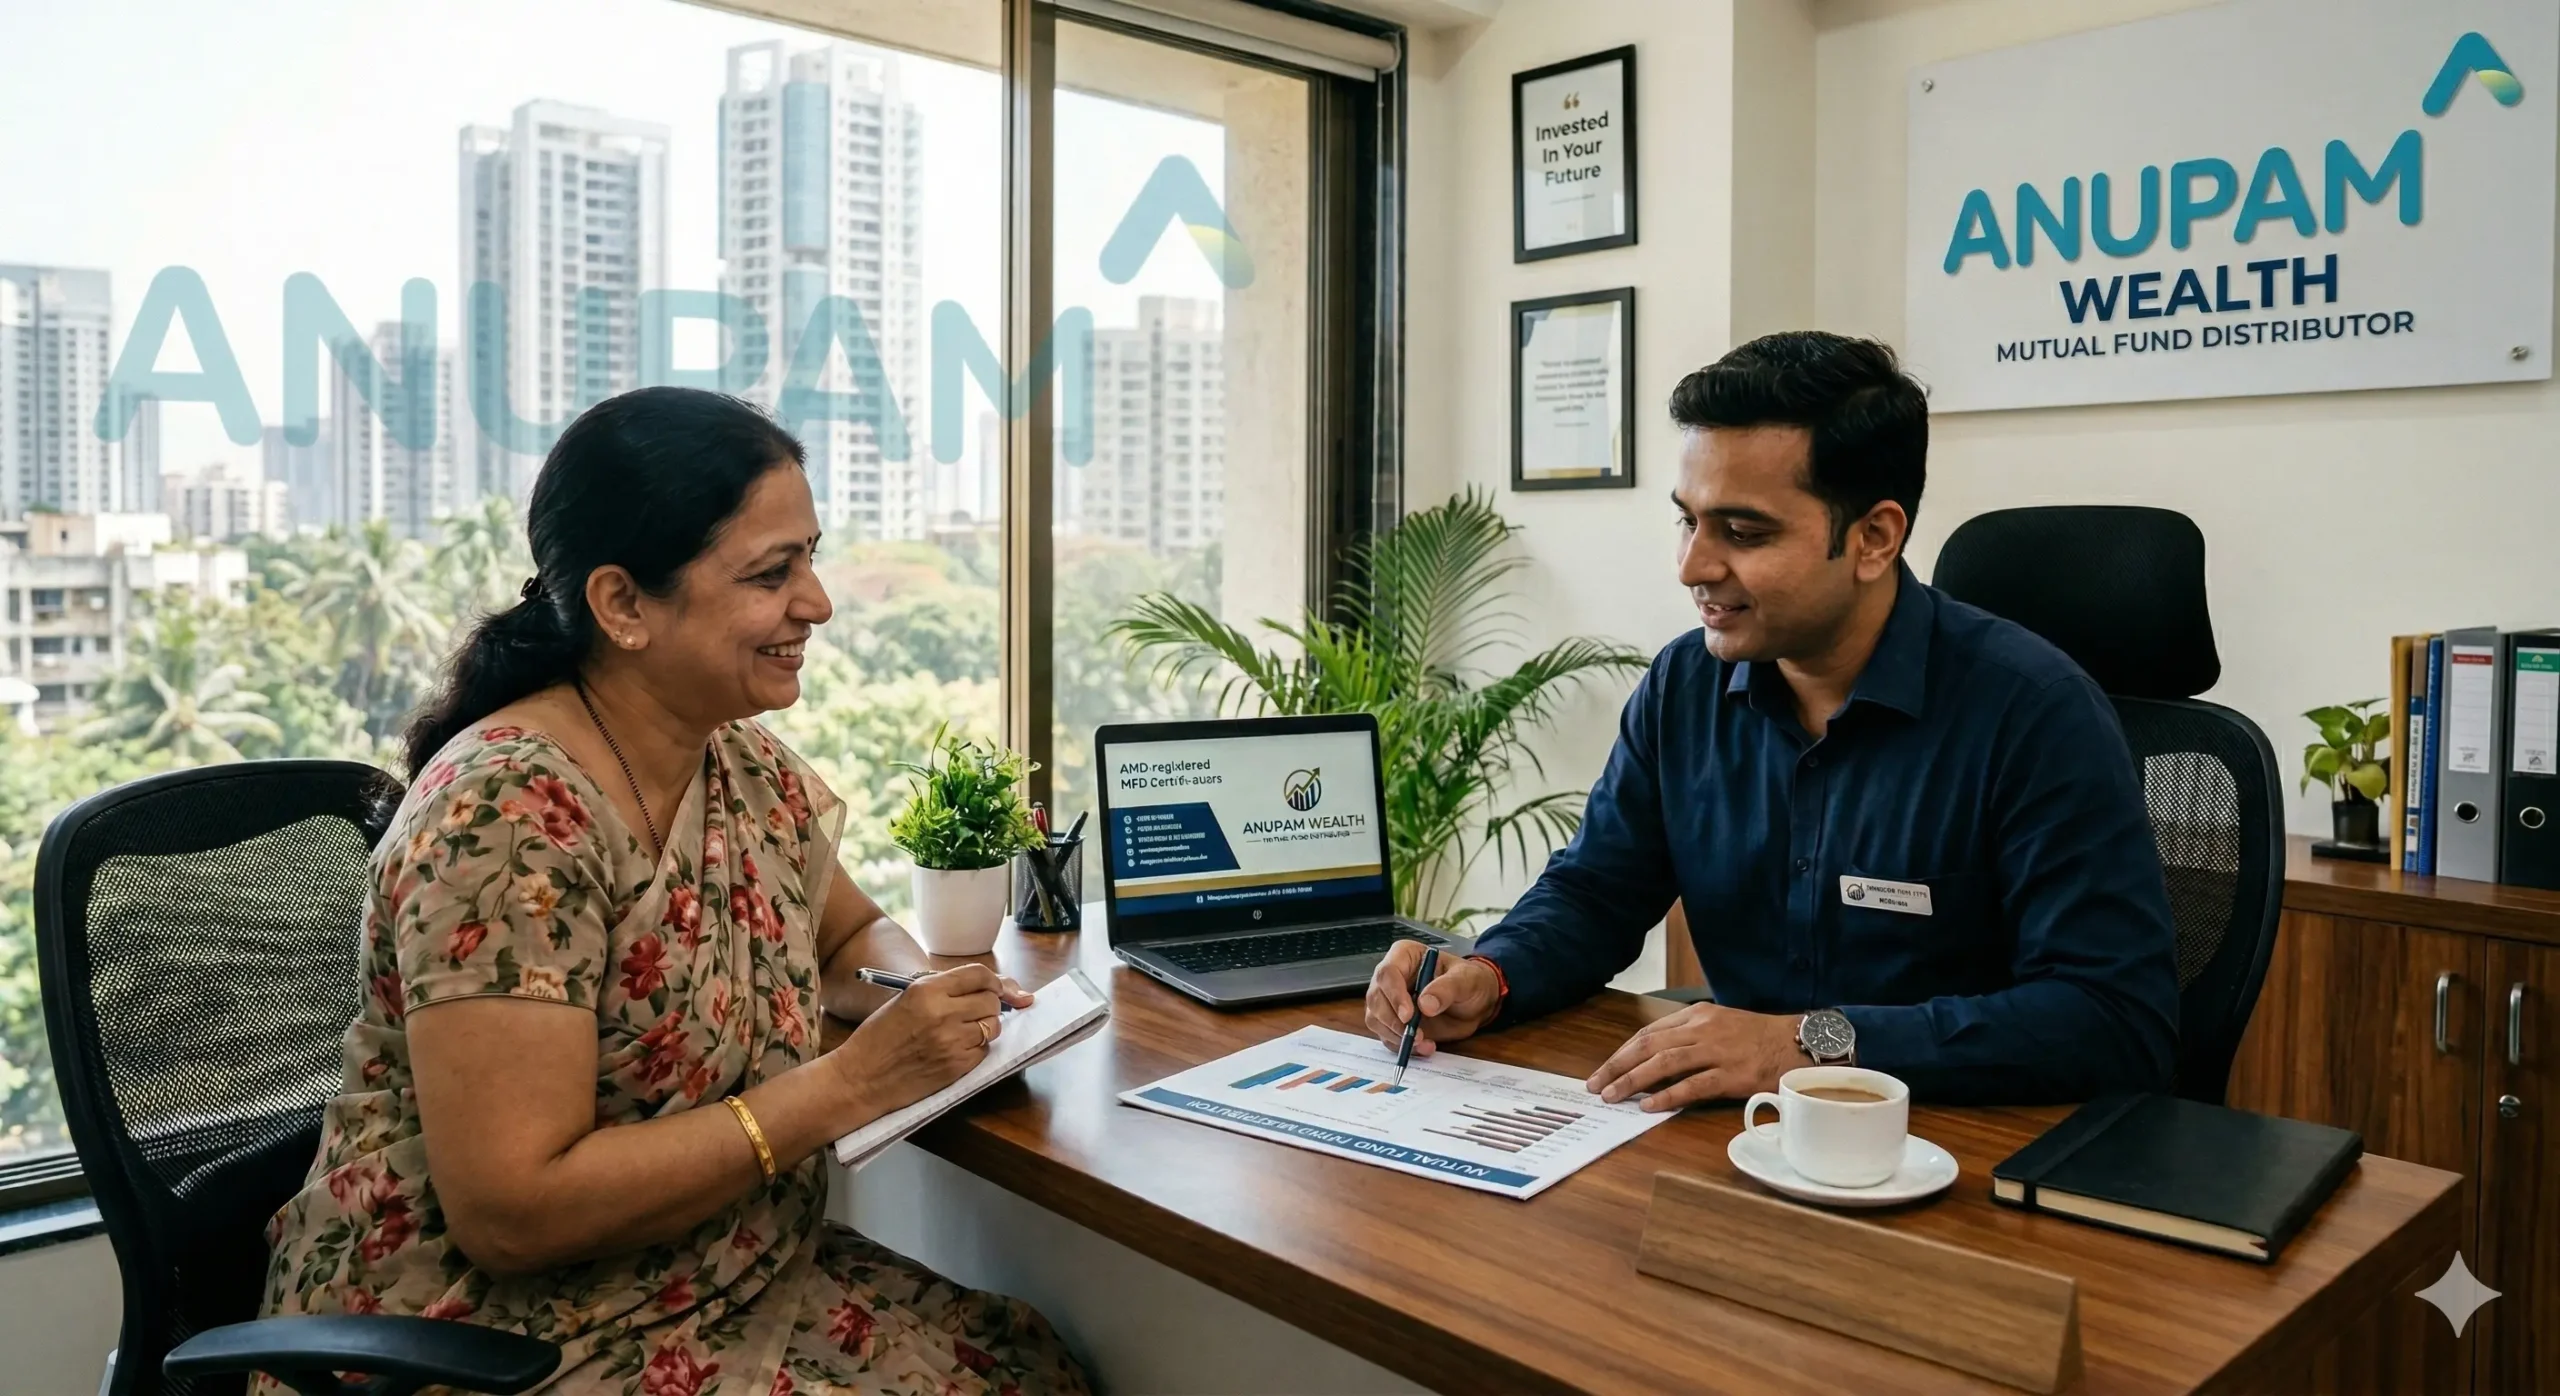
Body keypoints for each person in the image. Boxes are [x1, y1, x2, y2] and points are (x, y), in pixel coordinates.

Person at [259, 388, 1089, 1396]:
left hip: (711, 1272)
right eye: (770, 572)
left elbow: (847, 936)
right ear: (621, 605)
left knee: (1031, 1368)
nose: (817, 602)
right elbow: (513, 1212)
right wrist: (851, 1082)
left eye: (811, 557)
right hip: (489, 1333)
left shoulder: (738, 763)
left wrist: (915, 996)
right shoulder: (506, 821)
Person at [1363, 331, 2179, 1109]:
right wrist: (1490, 974)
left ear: (1873, 538)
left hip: (1959, 1157)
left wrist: (1806, 1045)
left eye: (1743, 532)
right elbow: (1596, 895)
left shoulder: (2034, 713)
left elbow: (2112, 1019)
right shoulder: (1685, 684)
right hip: (1744, 1140)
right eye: (1688, 519)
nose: (1693, 567)